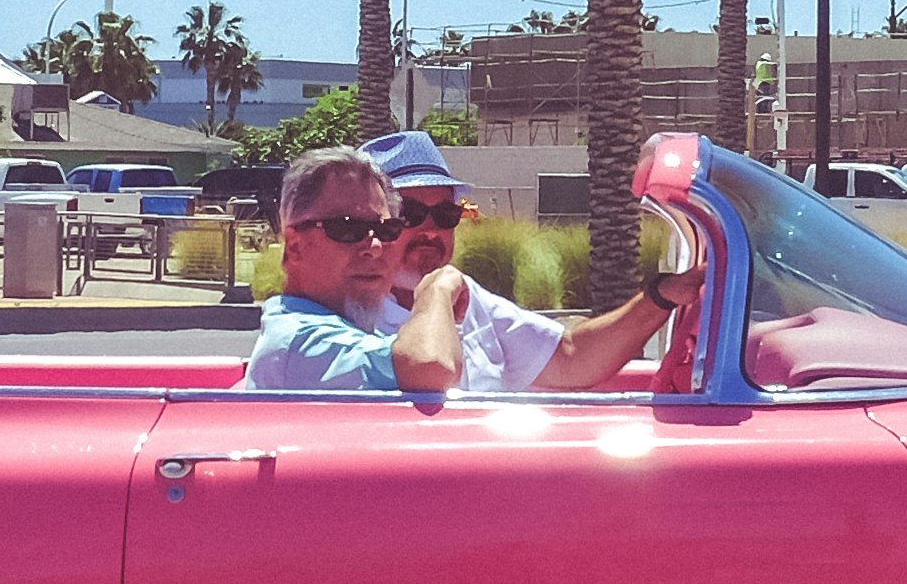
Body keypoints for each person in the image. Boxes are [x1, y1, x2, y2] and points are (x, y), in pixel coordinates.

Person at [350, 130, 682, 394]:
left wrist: (662, 296)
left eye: (445, 214)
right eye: (410, 214)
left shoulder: (465, 296)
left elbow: (571, 357)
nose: (431, 231)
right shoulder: (341, 317)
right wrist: (435, 295)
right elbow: (428, 373)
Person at [242, 146, 464, 396]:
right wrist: (436, 291)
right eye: (347, 229)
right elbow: (430, 366)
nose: (375, 247)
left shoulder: (346, 330)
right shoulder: (302, 341)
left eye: (388, 230)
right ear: (295, 246)